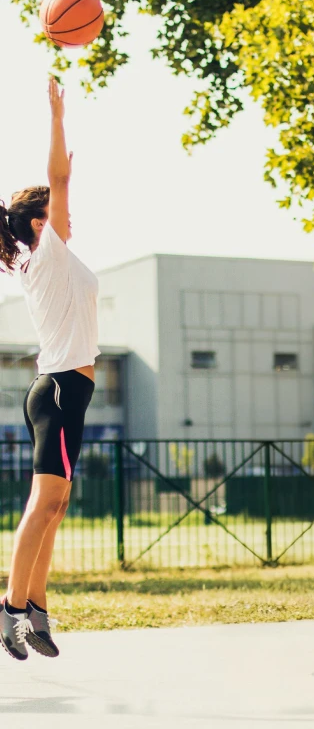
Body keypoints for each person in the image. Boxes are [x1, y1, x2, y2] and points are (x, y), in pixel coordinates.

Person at [0, 77, 99, 660]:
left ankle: (35, 607)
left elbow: (55, 188)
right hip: (60, 390)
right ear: (40, 222)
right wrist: (56, 114)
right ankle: (10, 607)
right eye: (57, 210)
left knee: (57, 504)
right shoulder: (50, 251)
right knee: (44, 504)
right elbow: (57, 179)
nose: (67, 212)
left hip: (66, 391)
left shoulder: (45, 261)